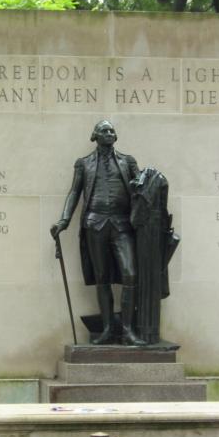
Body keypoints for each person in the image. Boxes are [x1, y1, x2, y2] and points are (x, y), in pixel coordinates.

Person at [50, 120, 146, 346]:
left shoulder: (128, 161)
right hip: (95, 224)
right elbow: (74, 192)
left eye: (112, 130)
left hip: (122, 224)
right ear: (95, 136)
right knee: (102, 278)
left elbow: (142, 190)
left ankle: (127, 331)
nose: (110, 134)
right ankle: (106, 329)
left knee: (130, 274)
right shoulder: (84, 164)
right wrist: (64, 220)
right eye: (105, 131)